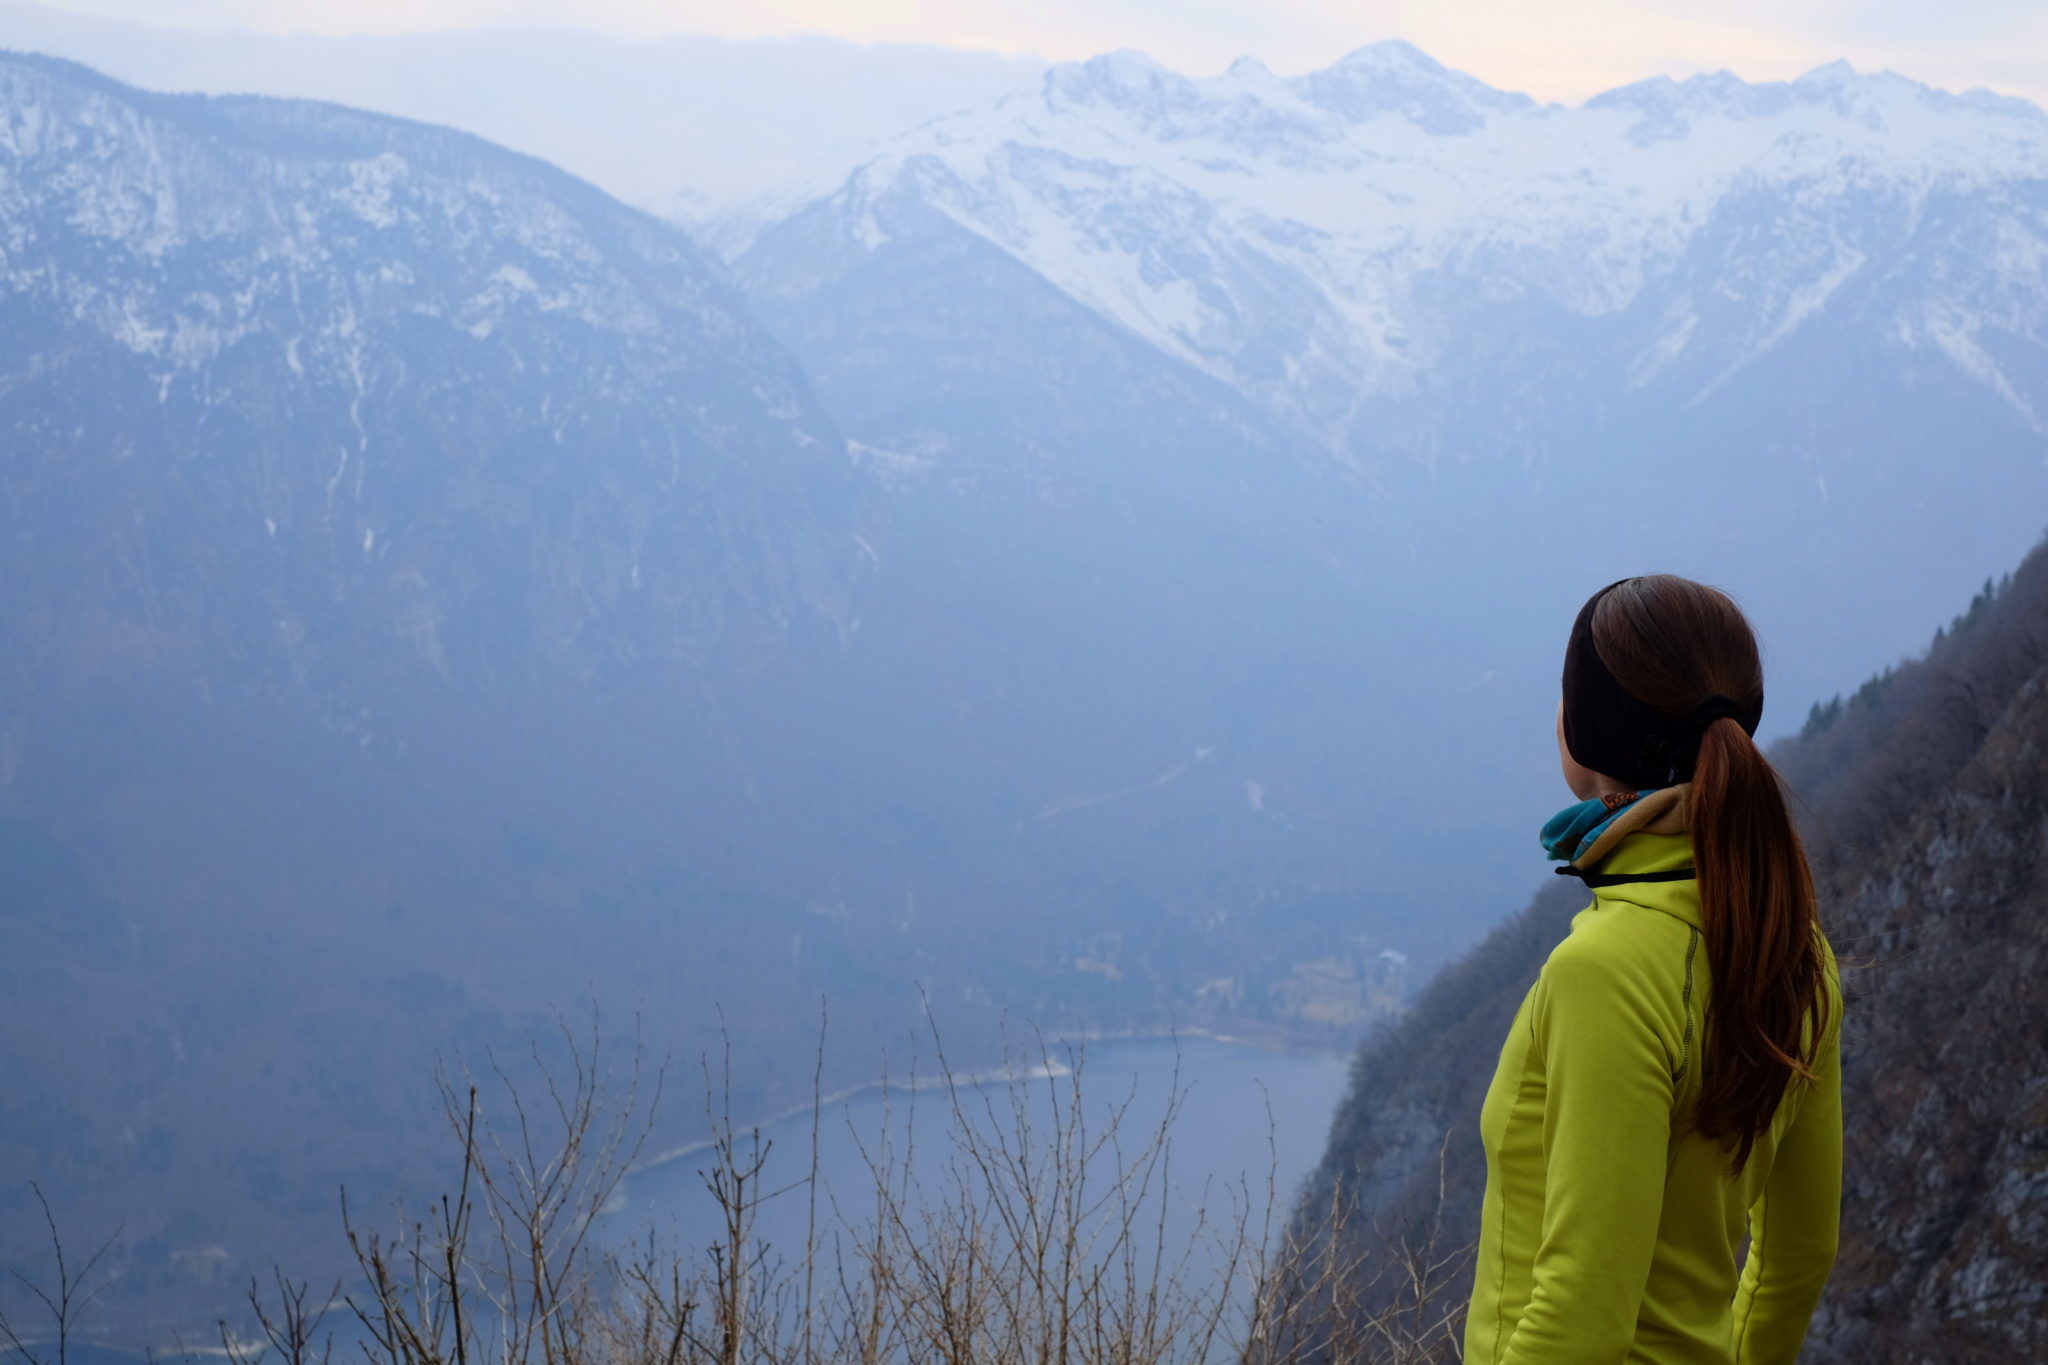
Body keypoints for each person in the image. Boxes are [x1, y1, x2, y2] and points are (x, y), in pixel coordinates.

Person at [1464, 575, 1843, 1365]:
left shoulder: (1602, 970)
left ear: (1584, 734)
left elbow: (1581, 1321)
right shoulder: (1794, 946)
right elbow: (1798, 1256)